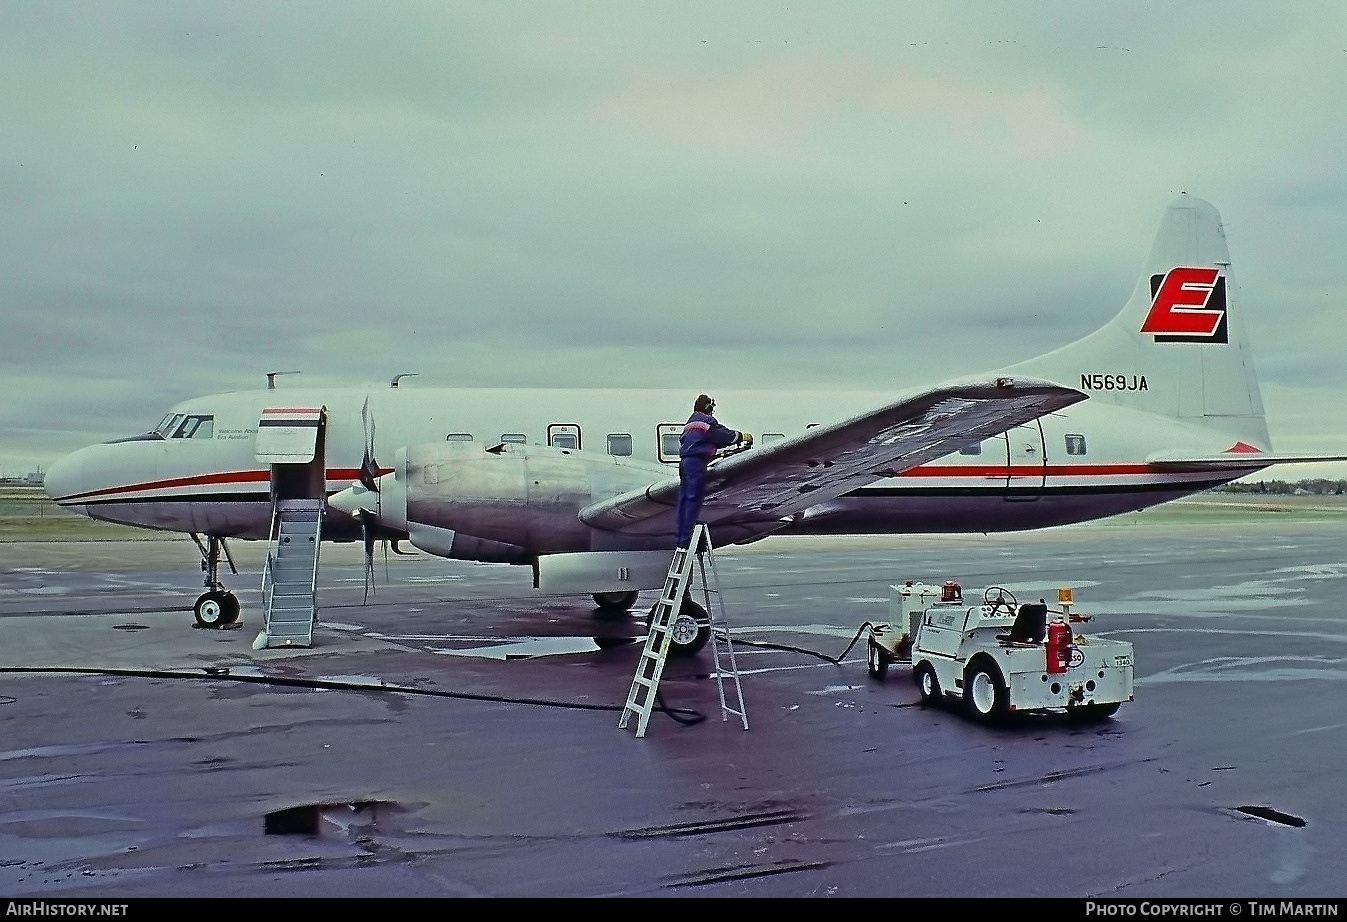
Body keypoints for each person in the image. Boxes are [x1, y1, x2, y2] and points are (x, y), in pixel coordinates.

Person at [676, 394, 751, 548]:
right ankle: (687, 540)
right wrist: (741, 436)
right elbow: (723, 436)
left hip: (684, 462)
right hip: (696, 463)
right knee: (693, 499)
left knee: (684, 500)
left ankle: (681, 536)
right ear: (708, 408)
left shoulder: (690, 422)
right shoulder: (707, 421)